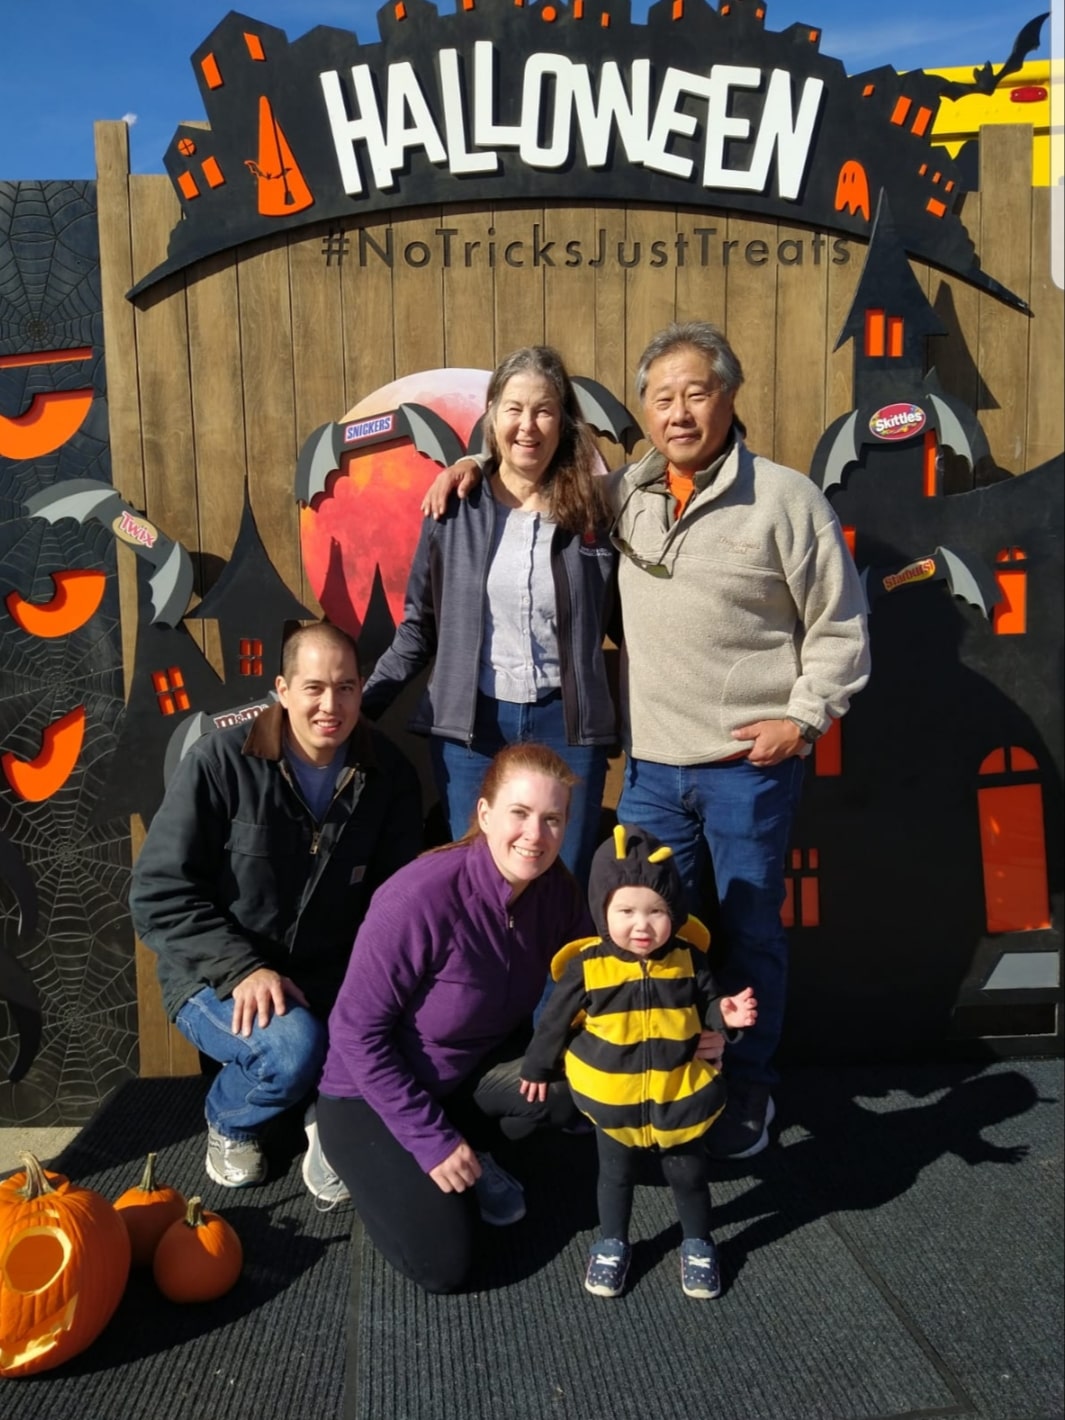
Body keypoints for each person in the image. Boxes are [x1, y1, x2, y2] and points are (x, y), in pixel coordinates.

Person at [425, 321, 871, 1159]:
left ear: (728, 398)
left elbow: (840, 627)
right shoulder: (623, 492)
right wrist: (476, 466)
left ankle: (745, 1085)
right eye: (659, 398)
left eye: (694, 392)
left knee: (746, 933)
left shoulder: (784, 499)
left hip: (747, 769)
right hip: (652, 772)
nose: (677, 412)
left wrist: (803, 716)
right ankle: (650, 1076)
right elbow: (532, 473)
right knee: (643, 932)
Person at [129, 621, 423, 1198]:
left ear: (362, 689)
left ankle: (328, 1119)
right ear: (282, 689)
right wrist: (241, 969)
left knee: (409, 1030)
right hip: (213, 974)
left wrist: (373, 994)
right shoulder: (220, 762)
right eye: (313, 688)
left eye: (345, 688)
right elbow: (158, 893)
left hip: (329, 973)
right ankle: (231, 1119)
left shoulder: (389, 775)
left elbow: (396, 903)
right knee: (293, 1050)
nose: (330, 705)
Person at [315, 743, 592, 1295]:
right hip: (365, 1097)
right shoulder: (420, 896)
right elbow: (353, 1032)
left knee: (572, 1089)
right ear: (485, 814)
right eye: (519, 813)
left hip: (464, 1077)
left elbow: (601, 979)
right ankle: (353, 1159)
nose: (534, 835)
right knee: (445, 1265)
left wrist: (694, 1026)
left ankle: (470, 1145)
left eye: (552, 819)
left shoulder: (556, 891)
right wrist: (430, 1140)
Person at [361, 345, 617, 888]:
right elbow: (418, 627)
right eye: (514, 409)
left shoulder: (596, 510)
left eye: (544, 410)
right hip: (473, 728)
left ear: (565, 421)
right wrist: (360, 708)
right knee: (480, 883)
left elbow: (631, 620)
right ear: (493, 417)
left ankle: (553, 979)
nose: (528, 426)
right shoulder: (453, 508)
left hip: (566, 724)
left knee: (560, 887)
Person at [519, 824, 757, 1299]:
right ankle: (612, 1242)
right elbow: (554, 1021)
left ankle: (697, 1242)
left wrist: (726, 1016)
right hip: (614, 1101)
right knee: (615, 1176)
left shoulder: (689, 960)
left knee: (689, 1175)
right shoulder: (589, 967)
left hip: (678, 1096)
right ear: (603, 911)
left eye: (656, 912)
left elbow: (710, 1006)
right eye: (625, 910)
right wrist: (536, 1068)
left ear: (675, 913)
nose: (641, 925)